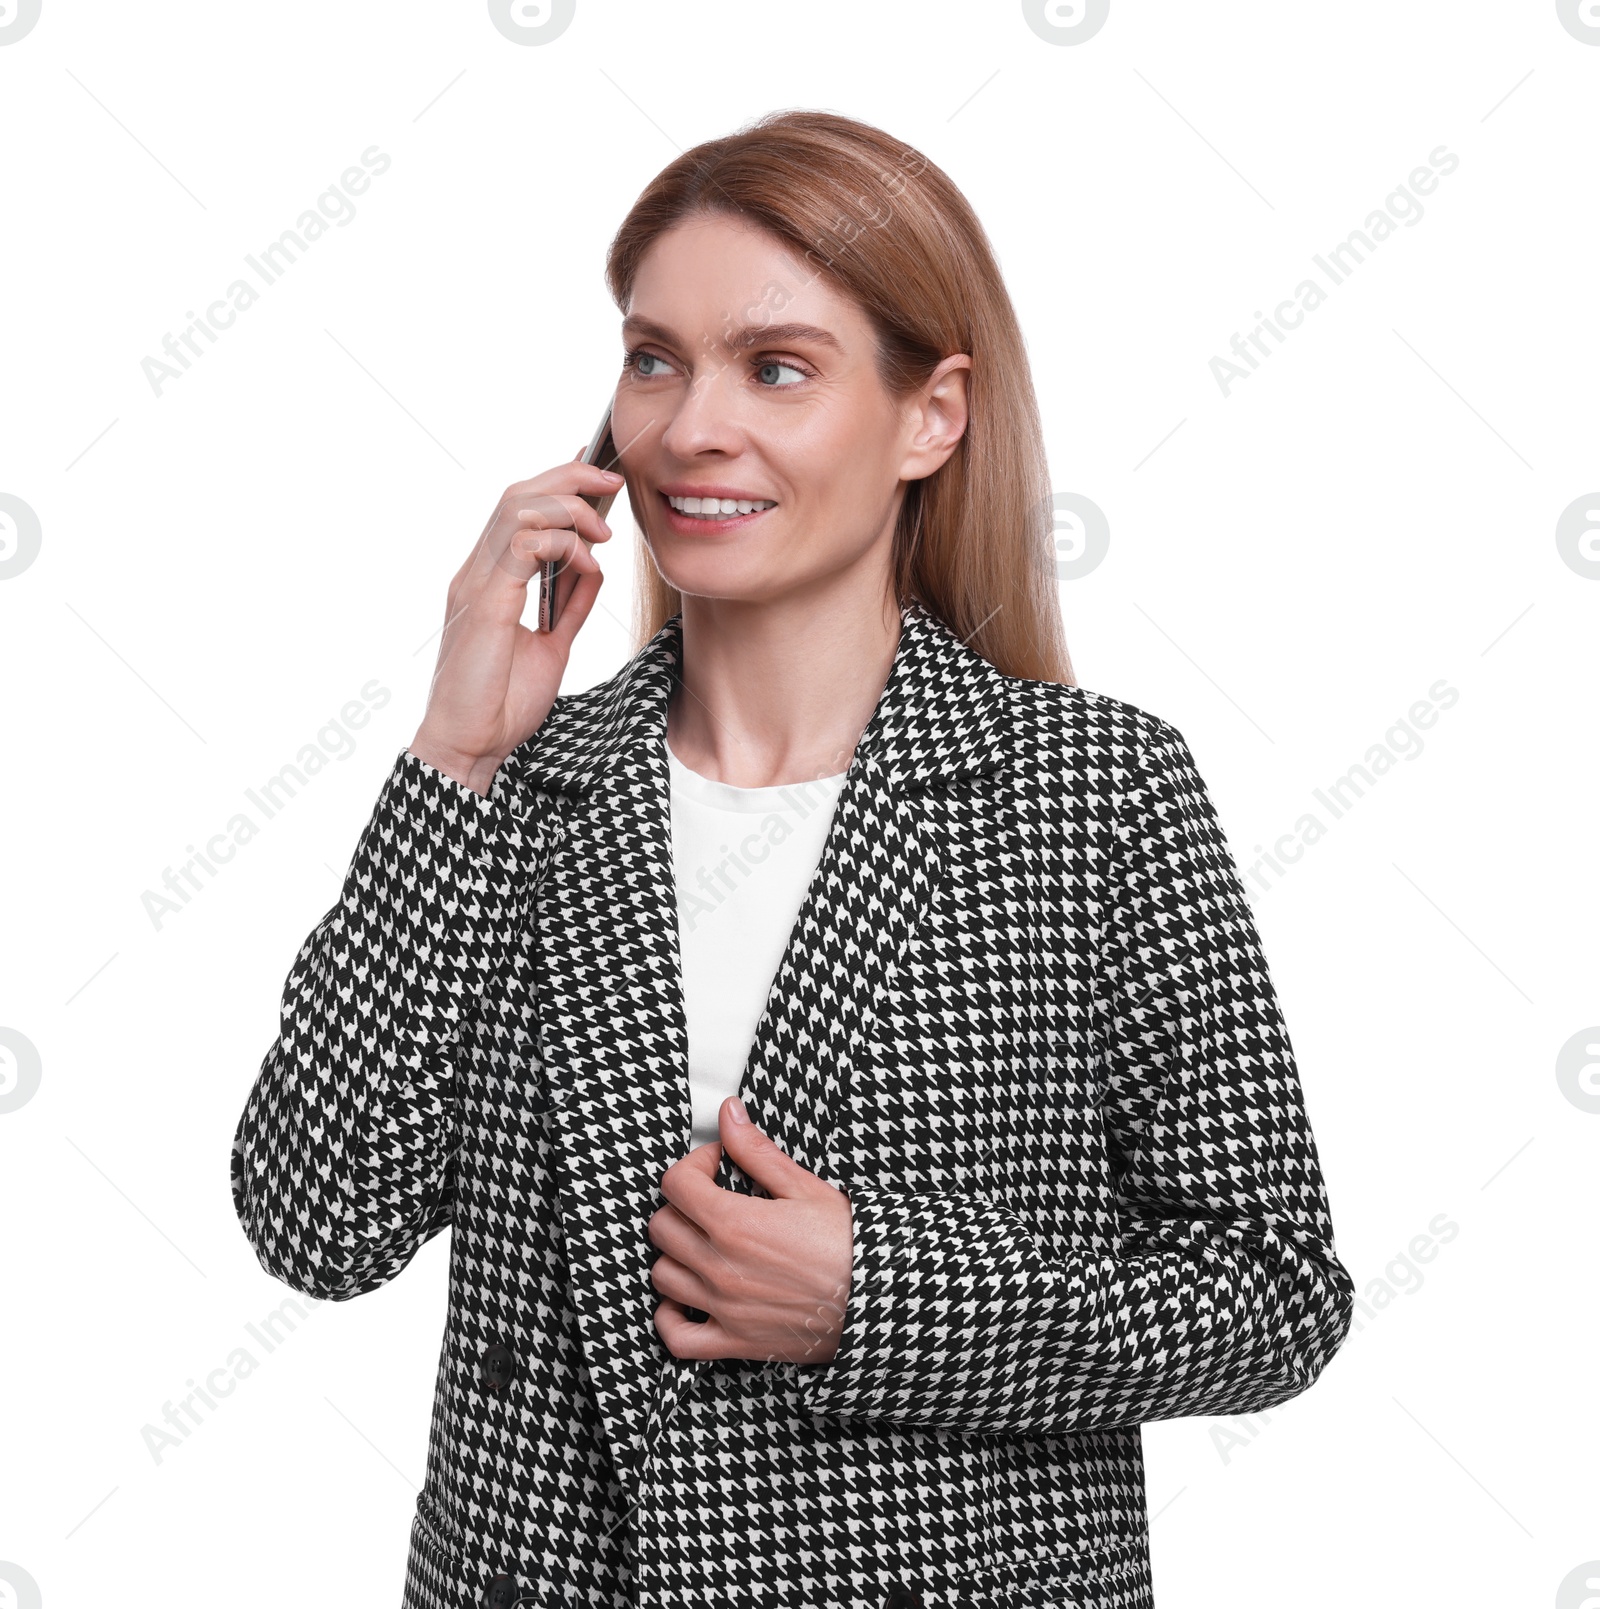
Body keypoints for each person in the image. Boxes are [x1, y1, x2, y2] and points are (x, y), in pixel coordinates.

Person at [231, 108, 1354, 1609]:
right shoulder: (526, 785)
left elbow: (1270, 1289)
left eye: (776, 368)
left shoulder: (1092, 790)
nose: (693, 426)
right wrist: (455, 754)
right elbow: (319, 1218)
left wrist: (874, 1297)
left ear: (929, 416)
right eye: (653, 360)